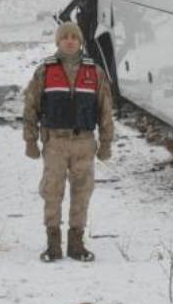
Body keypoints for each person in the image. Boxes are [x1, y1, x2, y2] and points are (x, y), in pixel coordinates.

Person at [22, 21, 114, 261]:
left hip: (84, 142)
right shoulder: (45, 71)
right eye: (65, 37)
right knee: (52, 191)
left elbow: (106, 110)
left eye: (75, 37)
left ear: (81, 41)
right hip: (55, 142)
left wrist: (106, 143)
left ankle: (76, 242)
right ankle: (53, 243)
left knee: (82, 191)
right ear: (58, 42)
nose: (70, 41)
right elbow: (30, 107)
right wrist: (30, 140)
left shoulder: (94, 72)